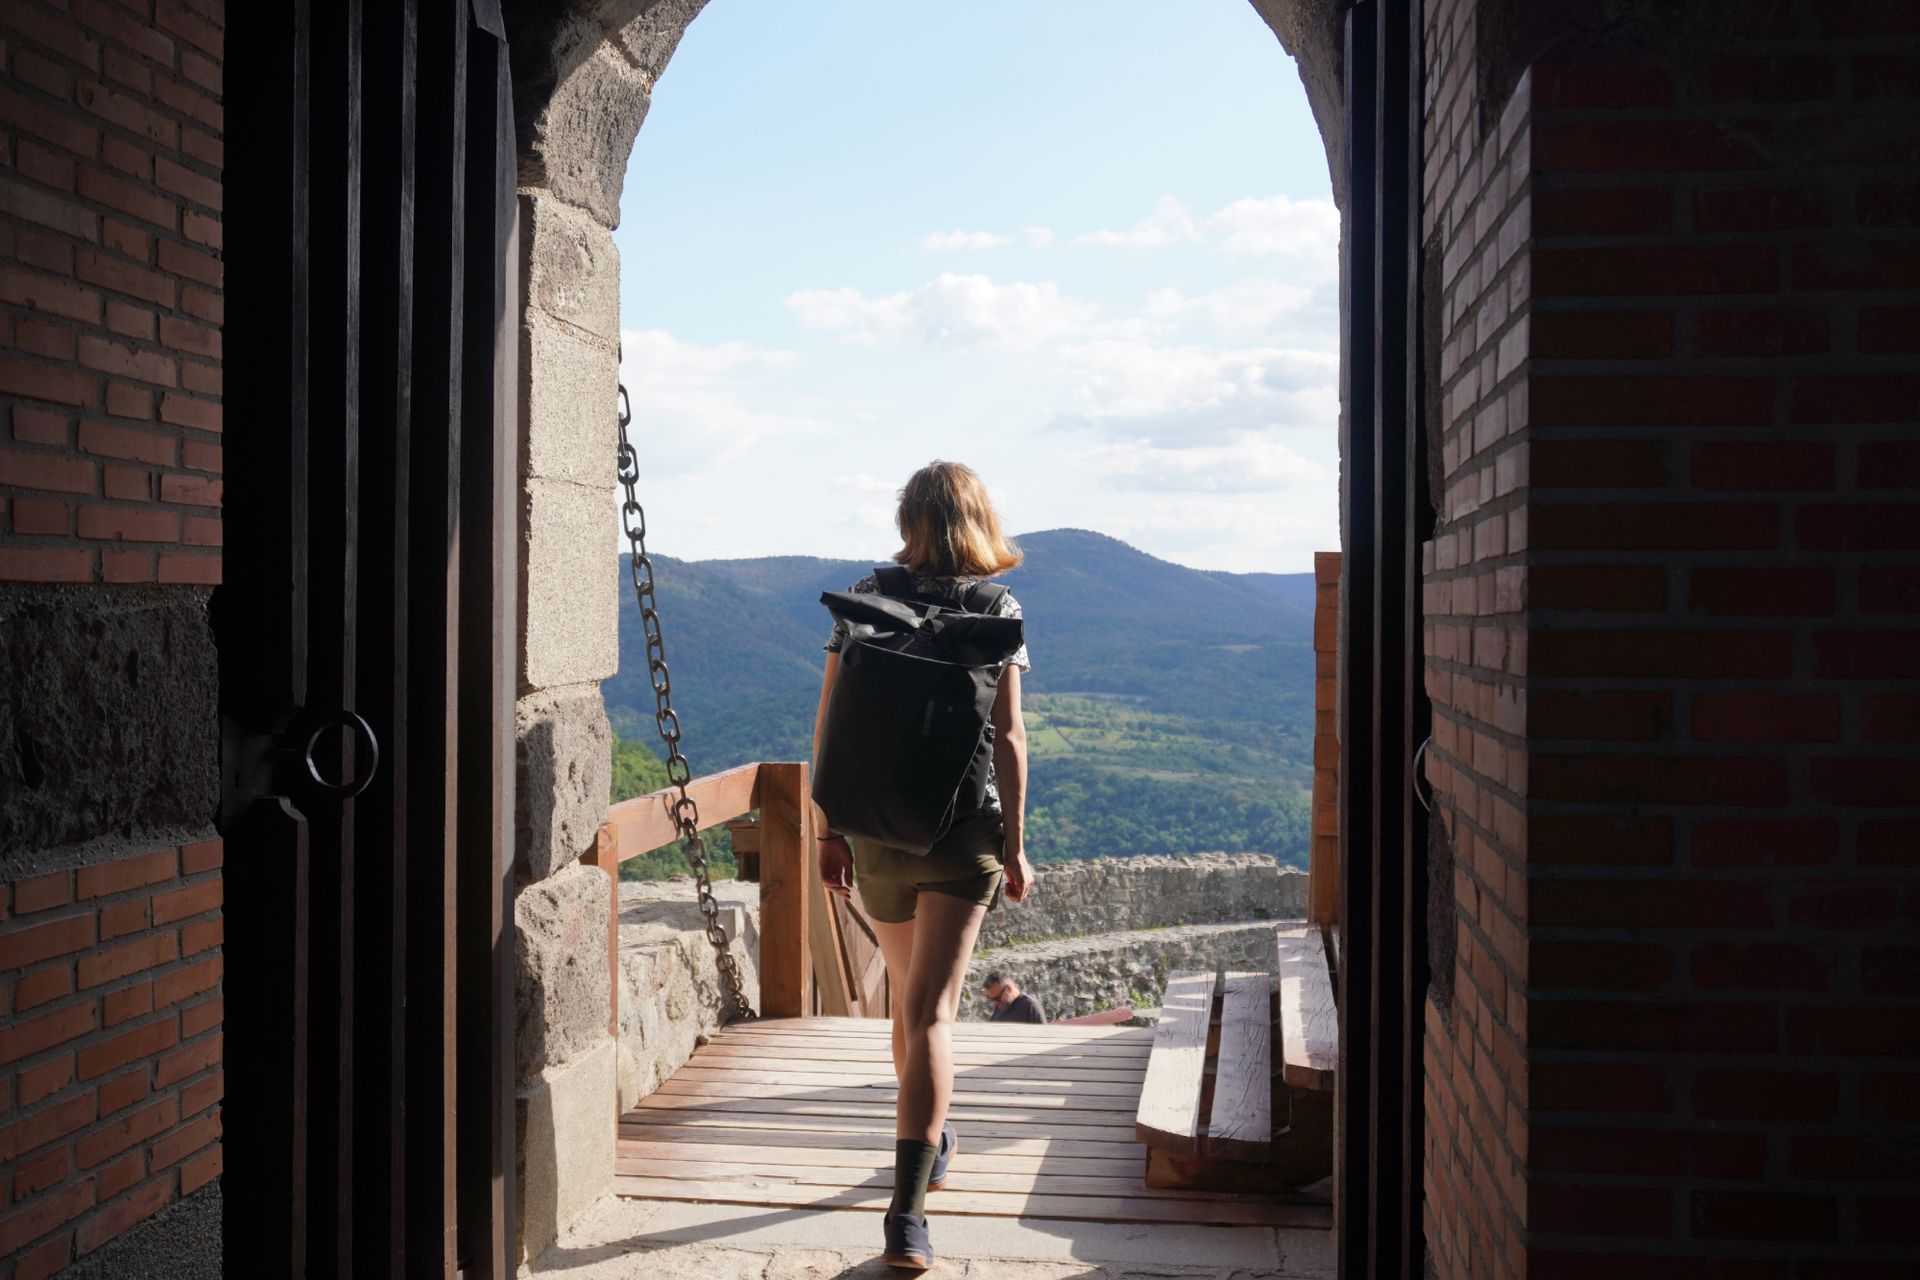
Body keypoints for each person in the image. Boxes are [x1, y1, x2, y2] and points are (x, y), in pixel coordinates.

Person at [813, 460, 1036, 1272]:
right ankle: (906, 1217)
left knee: (909, 1014)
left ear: (908, 518)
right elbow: (1007, 738)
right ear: (980, 518)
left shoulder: (868, 596)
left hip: (874, 829)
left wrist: (827, 829)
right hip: (961, 833)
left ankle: (925, 1151)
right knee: (933, 1014)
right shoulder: (998, 609)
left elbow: (831, 722)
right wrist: (1014, 845)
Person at [983, 970, 1047, 1024]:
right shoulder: (1000, 1006)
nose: (994, 1002)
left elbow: (1043, 1036)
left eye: (997, 998)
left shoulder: (1031, 1006)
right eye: (990, 998)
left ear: (1009, 989)